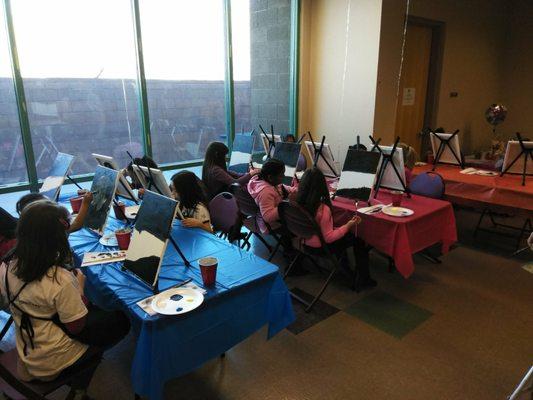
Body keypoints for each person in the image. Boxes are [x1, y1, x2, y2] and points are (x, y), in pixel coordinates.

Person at [0, 201, 130, 400]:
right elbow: (76, 327)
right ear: (57, 237)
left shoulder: (6, 265)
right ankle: (79, 388)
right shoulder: (60, 279)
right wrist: (80, 288)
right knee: (120, 322)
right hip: (52, 361)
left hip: (28, 349)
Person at [296, 168, 376, 292]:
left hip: (305, 243)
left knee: (343, 237)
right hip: (321, 247)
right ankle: (364, 278)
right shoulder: (323, 209)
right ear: (323, 186)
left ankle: (344, 269)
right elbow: (329, 237)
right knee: (358, 240)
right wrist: (349, 224)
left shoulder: (298, 202)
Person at [247, 158, 297, 234]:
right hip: (270, 226)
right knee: (297, 226)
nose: (283, 176)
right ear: (270, 177)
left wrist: (299, 191)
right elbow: (268, 217)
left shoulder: (270, 182)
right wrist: (287, 203)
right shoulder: (265, 192)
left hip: (277, 218)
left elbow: (284, 187)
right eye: (281, 175)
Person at [16, 191, 93, 234]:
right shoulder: (51, 228)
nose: (54, 205)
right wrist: (85, 204)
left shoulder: (30, 228)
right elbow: (76, 224)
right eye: (50, 204)